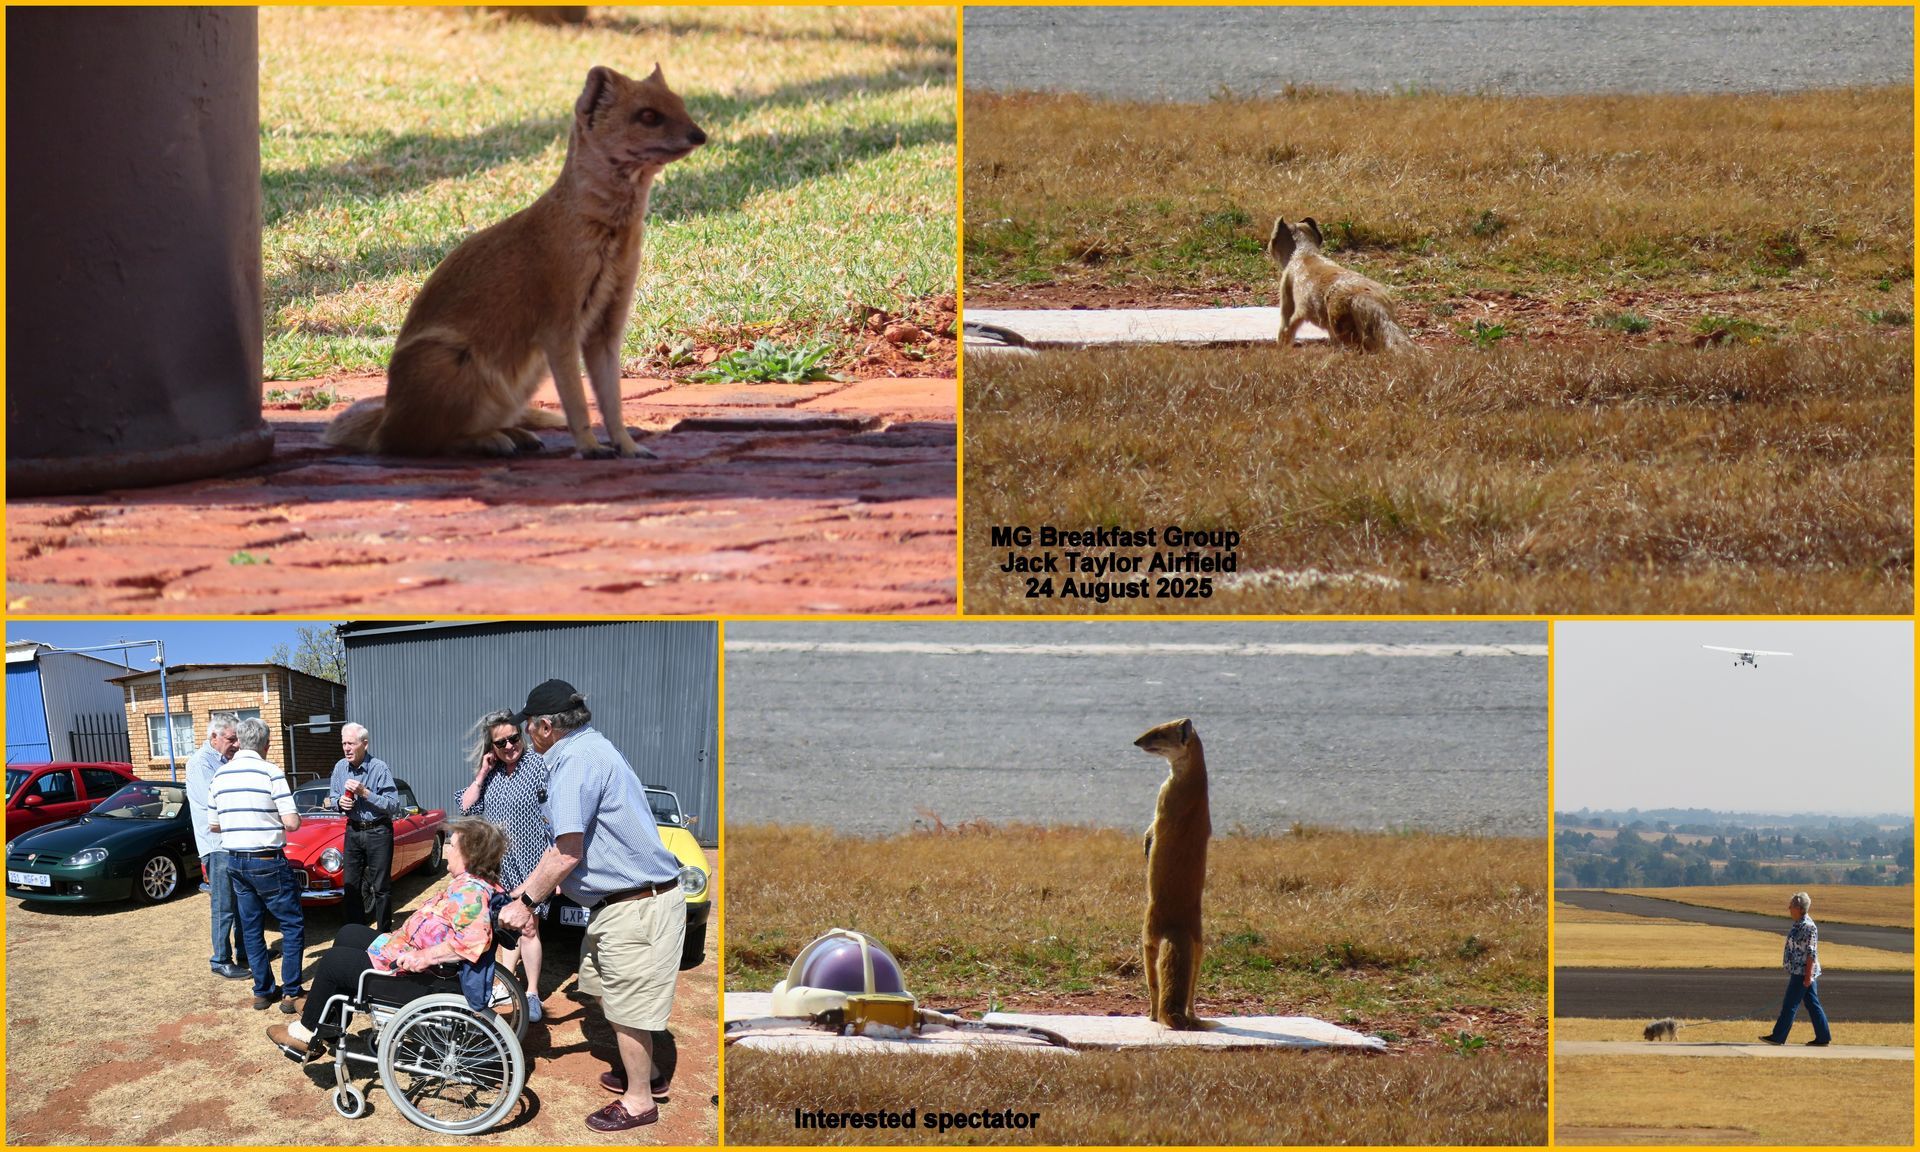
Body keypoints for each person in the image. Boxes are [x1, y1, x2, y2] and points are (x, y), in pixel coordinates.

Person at [496, 679, 686, 1133]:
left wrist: (525, 901)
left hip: (637, 906)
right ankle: (650, 1076)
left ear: (544, 726)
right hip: (620, 904)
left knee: (628, 1007)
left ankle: (640, 1100)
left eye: (527, 725)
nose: (523, 733)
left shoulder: (576, 760)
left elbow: (566, 850)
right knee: (606, 992)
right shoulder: (590, 748)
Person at [266, 818, 509, 1061]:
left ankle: (306, 1034)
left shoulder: (471, 893)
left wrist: (423, 956)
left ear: (469, 854)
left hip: (419, 974)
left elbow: (471, 944)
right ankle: (330, 1020)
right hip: (407, 953)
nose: (446, 849)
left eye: (452, 845)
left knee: (334, 962)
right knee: (349, 932)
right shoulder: (470, 885)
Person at [458, 710, 553, 1022]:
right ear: (492, 747)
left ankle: (532, 993)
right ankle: (506, 983)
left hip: (534, 863)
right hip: (500, 867)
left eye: (514, 738)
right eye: (501, 743)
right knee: (506, 926)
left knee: (528, 926)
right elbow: (467, 809)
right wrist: (483, 773)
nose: (510, 745)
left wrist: (555, 867)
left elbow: (555, 816)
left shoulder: (540, 766)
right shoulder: (493, 775)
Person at [209, 717, 306, 1013]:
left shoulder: (221, 776)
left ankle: (263, 991)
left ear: (240, 740)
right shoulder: (270, 772)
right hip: (267, 859)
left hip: (235, 861)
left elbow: (214, 826)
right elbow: (292, 823)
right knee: (291, 923)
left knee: (251, 927)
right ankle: (291, 992)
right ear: (266, 744)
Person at [185, 711, 249, 979]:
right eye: (231, 739)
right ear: (214, 736)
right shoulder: (201, 763)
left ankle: (246, 952)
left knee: (242, 902)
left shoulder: (225, 760)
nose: (235, 744)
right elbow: (218, 802)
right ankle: (220, 959)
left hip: (234, 842)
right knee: (223, 905)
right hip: (217, 845)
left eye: (237, 739)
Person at [326, 722, 400, 931]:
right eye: (343, 744)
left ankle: (384, 933)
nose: (346, 748)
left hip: (378, 831)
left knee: (381, 887)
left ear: (364, 744)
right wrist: (340, 803)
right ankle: (355, 931)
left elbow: (393, 805)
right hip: (354, 829)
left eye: (351, 743)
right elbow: (332, 798)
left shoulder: (379, 768)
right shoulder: (340, 767)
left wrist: (365, 793)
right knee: (351, 885)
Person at [1760, 890, 1832, 1046]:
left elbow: (1811, 952)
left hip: (1802, 972)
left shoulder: (1808, 927)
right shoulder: (1799, 924)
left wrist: (1807, 976)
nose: (1789, 908)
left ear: (1799, 908)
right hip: (1800, 972)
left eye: (1791, 905)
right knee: (1812, 1004)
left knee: (1789, 1005)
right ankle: (1823, 1037)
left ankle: (1778, 1037)